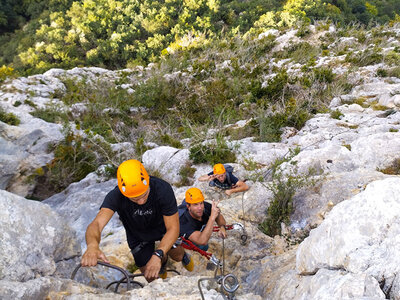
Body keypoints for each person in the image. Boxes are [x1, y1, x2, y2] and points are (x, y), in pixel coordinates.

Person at [81, 159, 193, 282]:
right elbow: (96, 224)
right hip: (138, 234)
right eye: (134, 199)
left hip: (163, 228)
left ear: (148, 183)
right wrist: (92, 245)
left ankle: (179, 256)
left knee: (177, 255)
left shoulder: (162, 189)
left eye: (144, 195)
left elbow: (173, 228)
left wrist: (157, 254)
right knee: (150, 275)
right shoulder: (116, 196)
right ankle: (162, 261)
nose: (141, 202)